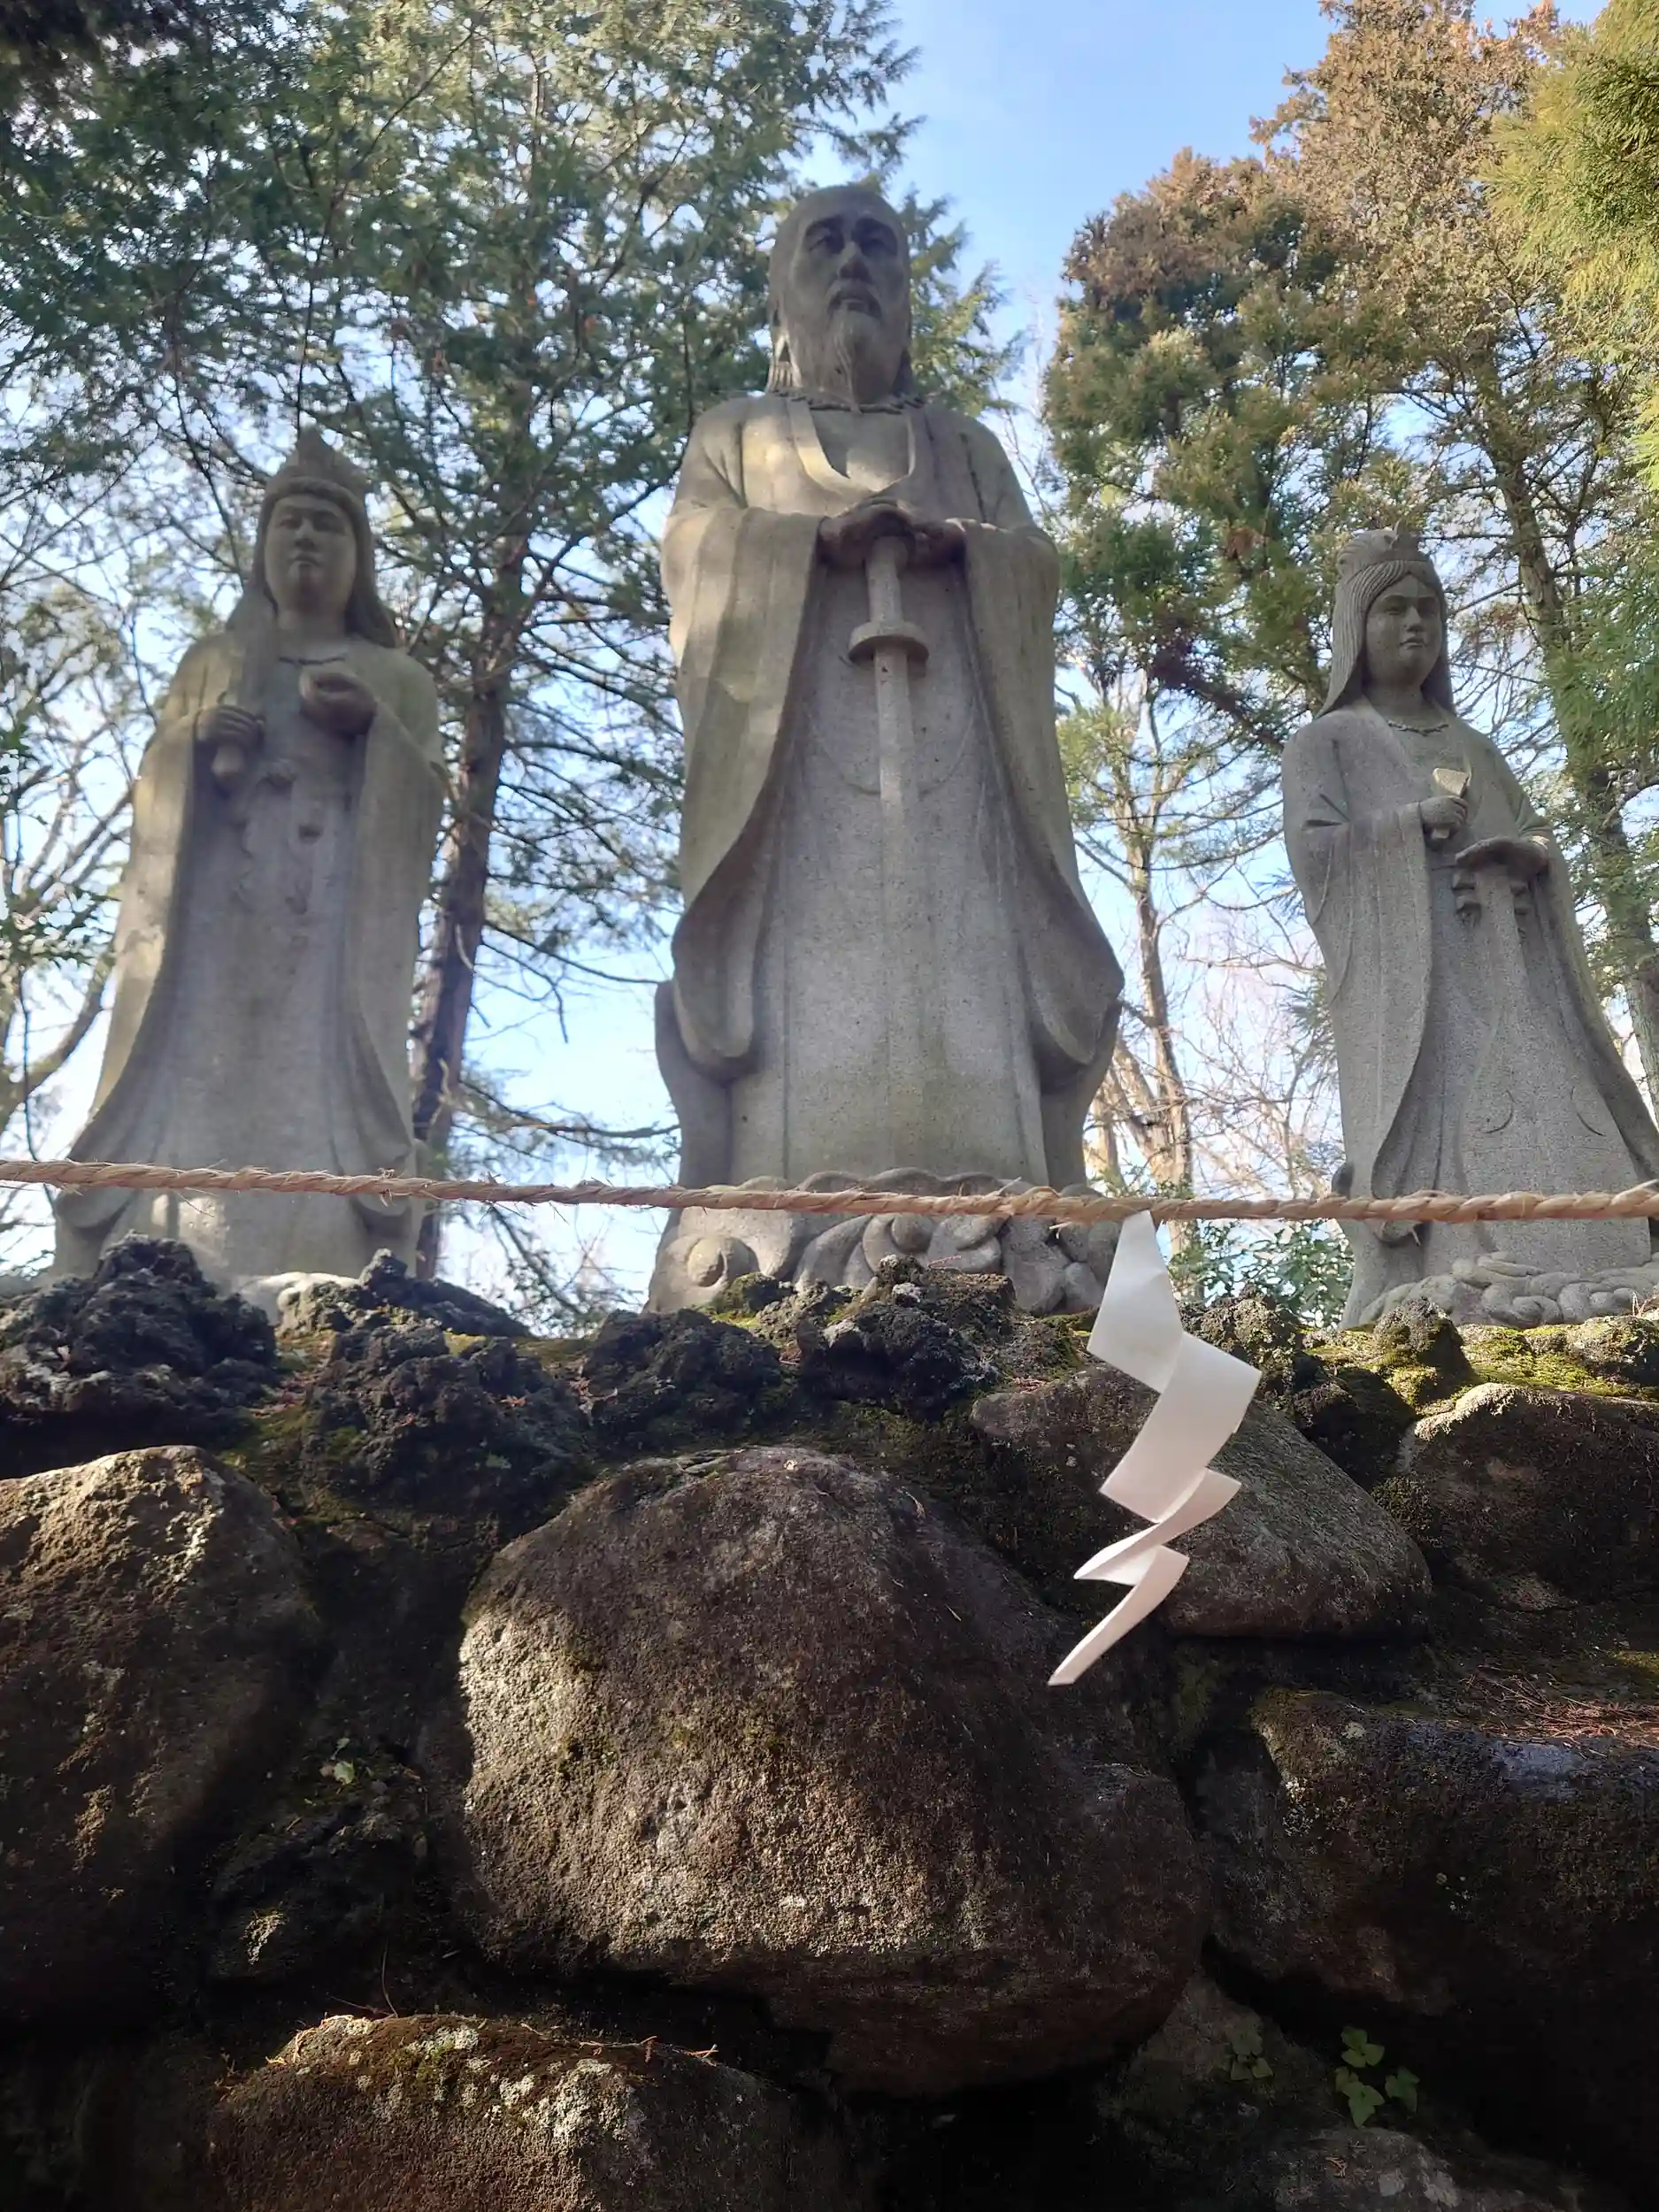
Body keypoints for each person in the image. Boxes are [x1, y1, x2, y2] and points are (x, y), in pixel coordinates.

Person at [650, 184, 1119, 1307]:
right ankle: (780, 1217)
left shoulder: (962, 445)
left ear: (908, 291)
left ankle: (1014, 1208)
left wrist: (964, 551)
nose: (853, 262)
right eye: (825, 243)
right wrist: (809, 549)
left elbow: (1034, 565)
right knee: (809, 983)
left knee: (969, 960)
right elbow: (692, 557)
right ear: (783, 288)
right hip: (796, 779)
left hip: (964, 773)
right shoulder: (737, 434)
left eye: (877, 244)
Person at [55, 431, 445, 1293]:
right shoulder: (214, 662)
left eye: (327, 526)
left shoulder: (396, 678)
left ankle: (321, 1246)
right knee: (195, 1068)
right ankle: (162, 1236)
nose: (304, 538)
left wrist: (374, 731)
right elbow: (154, 805)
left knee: (313, 1082)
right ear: (262, 546)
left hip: (328, 928)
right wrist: (194, 743)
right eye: (288, 522)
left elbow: (422, 809)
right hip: (213, 925)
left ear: (359, 559)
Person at [1283, 527, 1659, 1325]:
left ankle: (1589, 1251)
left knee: (1544, 1082)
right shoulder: (1326, 743)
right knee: (1451, 1100)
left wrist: (1528, 858)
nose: (1414, 624)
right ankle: (1457, 1261)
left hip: (1507, 952)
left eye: (1428, 609)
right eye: (1393, 609)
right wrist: (1405, 827)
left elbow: (1534, 831)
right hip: (1409, 976)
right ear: (1356, 628)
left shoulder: (1475, 746)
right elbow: (1313, 856)